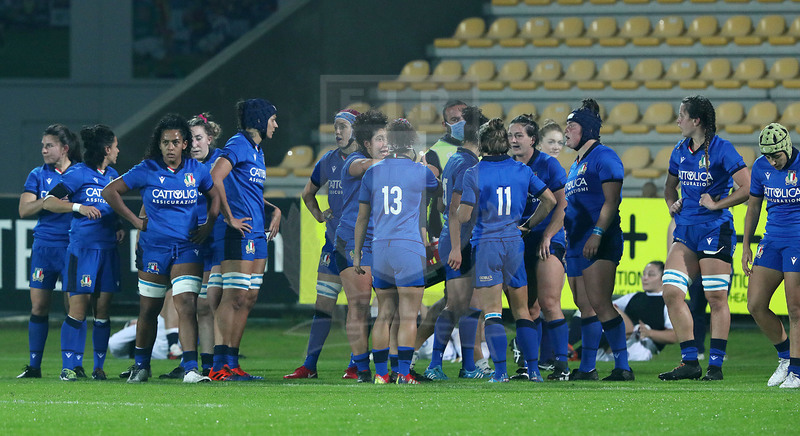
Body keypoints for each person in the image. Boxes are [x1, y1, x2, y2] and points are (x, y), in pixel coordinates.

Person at [102, 113, 219, 383]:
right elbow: (110, 191)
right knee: (149, 309)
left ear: (184, 144)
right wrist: (135, 221)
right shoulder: (147, 168)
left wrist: (208, 225)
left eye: (175, 142)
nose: (170, 147)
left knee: (186, 303)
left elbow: (215, 196)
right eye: (165, 142)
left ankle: (190, 367)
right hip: (154, 249)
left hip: (188, 248)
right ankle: (141, 365)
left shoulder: (197, 170)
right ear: (159, 143)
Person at [658, 95, 750, 381]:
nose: (678, 120)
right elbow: (669, 188)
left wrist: (718, 204)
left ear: (696, 120)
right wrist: (672, 204)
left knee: (715, 297)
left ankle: (715, 365)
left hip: (715, 229)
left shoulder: (723, 149)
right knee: (671, 292)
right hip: (686, 229)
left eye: (682, 115)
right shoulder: (679, 149)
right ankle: (690, 361)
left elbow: (747, 187)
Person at [457, 118, 556, 383]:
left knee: (492, 311)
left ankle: (500, 371)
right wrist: (529, 224)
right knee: (523, 310)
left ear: (481, 145)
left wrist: (455, 207)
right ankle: (533, 370)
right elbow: (550, 200)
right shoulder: (522, 170)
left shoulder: (473, 173)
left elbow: (464, 216)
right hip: (514, 242)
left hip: (487, 244)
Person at [354, 118, 439, 384]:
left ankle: (380, 375)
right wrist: (423, 165)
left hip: (380, 248)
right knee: (408, 315)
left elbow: (362, 218)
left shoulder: (373, 172)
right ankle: (403, 373)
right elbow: (437, 189)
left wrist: (357, 254)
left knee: (384, 313)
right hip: (408, 247)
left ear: (389, 142)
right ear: (412, 142)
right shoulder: (420, 171)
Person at [284, 109, 361, 380]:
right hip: (333, 243)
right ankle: (310, 365)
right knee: (323, 306)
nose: (337, 132)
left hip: (358, 245)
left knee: (357, 306)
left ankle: (356, 365)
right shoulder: (328, 160)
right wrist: (319, 216)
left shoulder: (364, 161)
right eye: (335, 128)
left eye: (342, 127)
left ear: (355, 129)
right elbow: (308, 193)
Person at [42, 124, 123, 382]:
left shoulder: (114, 175)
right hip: (83, 251)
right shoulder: (78, 173)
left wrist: (119, 226)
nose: (119, 151)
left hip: (108, 250)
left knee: (102, 311)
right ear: (107, 149)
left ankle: (98, 367)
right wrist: (78, 207)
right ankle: (70, 366)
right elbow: (50, 201)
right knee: (78, 309)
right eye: (116, 146)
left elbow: (112, 207)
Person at [209, 98, 281, 381]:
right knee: (234, 296)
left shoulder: (257, 151)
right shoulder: (238, 143)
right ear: (261, 120)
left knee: (249, 297)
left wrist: (271, 208)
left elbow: (248, 190)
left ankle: (233, 363)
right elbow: (216, 178)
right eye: (273, 119)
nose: (276, 125)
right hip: (239, 231)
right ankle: (218, 365)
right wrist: (228, 217)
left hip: (257, 233)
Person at [563, 98, 633, 381]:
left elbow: (611, 202)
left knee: (601, 303)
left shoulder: (605, 157)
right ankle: (587, 368)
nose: (566, 131)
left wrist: (597, 233)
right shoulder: (576, 163)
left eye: (572, 127)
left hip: (599, 240)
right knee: (584, 305)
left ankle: (623, 367)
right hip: (576, 242)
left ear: (588, 131)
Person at [422, 106, 487, 381]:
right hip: (460, 241)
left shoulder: (454, 160)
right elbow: (454, 208)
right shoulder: (469, 164)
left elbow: (441, 202)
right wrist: (459, 247)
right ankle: (439, 364)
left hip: (456, 240)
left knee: (464, 305)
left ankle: (464, 365)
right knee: (459, 305)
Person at [507, 114, 570, 381]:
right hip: (518, 241)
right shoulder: (508, 166)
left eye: (519, 135)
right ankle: (528, 366)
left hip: (546, 240)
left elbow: (562, 206)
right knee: (526, 307)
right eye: (510, 135)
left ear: (533, 140)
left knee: (549, 302)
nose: (513, 140)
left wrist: (549, 236)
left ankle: (562, 366)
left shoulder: (549, 165)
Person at [17, 124, 82, 379]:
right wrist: (49, 202)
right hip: (45, 246)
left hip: (72, 246)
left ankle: (73, 365)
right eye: (43, 145)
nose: (44, 150)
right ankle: (34, 366)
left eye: (49, 145)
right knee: (39, 306)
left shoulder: (79, 173)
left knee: (74, 307)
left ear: (64, 148)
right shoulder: (37, 175)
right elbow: (24, 210)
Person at [743, 123, 800, 388]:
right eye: (767, 156)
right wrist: (746, 246)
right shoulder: (760, 167)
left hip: (797, 241)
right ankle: (786, 357)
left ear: (787, 147)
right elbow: (753, 208)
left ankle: (797, 373)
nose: (772, 161)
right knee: (755, 304)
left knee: (795, 308)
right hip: (772, 240)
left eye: (776, 156)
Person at [334, 109, 389, 382]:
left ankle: (384, 364)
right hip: (352, 241)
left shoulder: (390, 165)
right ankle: (361, 368)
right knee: (359, 305)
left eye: (387, 140)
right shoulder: (355, 161)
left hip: (382, 240)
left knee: (389, 304)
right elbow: (364, 167)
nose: (385, 145)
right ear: (367, 144)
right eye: (379, 140)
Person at [188, 112, 224, 376]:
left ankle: (223, 363)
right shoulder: (182, 165)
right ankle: (205, 364)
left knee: (215, 302)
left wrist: (273, 210)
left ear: (209, 139)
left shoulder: (223, 161)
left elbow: (244, 190)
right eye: (190, 140)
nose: (194, 144)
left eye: (199, 138)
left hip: (219, 237)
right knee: (198, 305)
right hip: (193, 239)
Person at [610, 261, 677, 360]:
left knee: (603, 307)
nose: (645, 278)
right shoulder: (634, 296)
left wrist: (649, 333)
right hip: (618, 342)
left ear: (663, 279)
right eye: (644, 274)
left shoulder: (667, 302)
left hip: (640, 347)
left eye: (651, 275)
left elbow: (674, 336)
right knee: (600, 307)